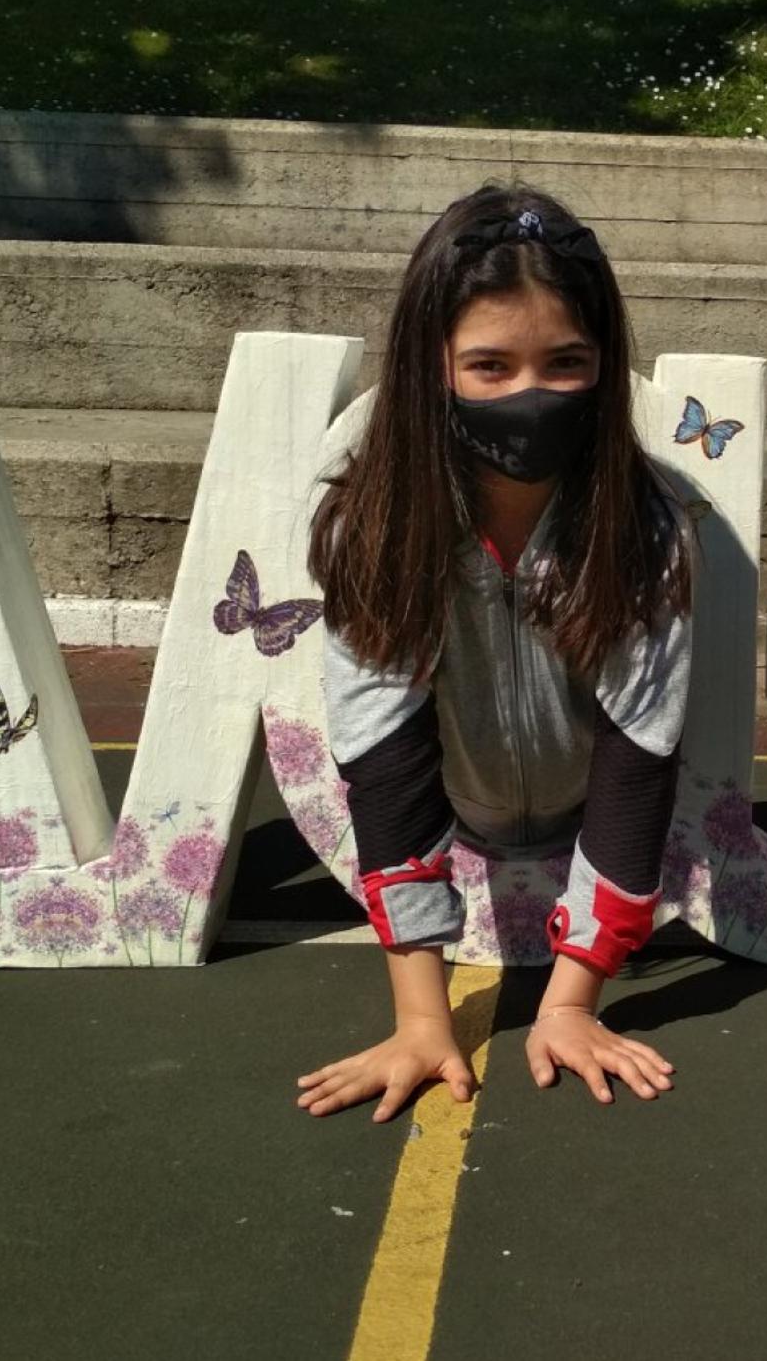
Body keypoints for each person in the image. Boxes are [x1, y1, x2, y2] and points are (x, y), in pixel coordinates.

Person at [295, 188, 689, 1121]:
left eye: (565, 363)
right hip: (456, 815)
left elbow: (639, 761)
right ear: (433, 366)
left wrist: (571, 1003)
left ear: (604, 365)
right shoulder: (375, 526)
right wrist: (421, 1020)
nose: (530, 394)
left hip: (598, 828)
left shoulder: (647, 532)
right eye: (489, 365)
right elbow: (384, 758)